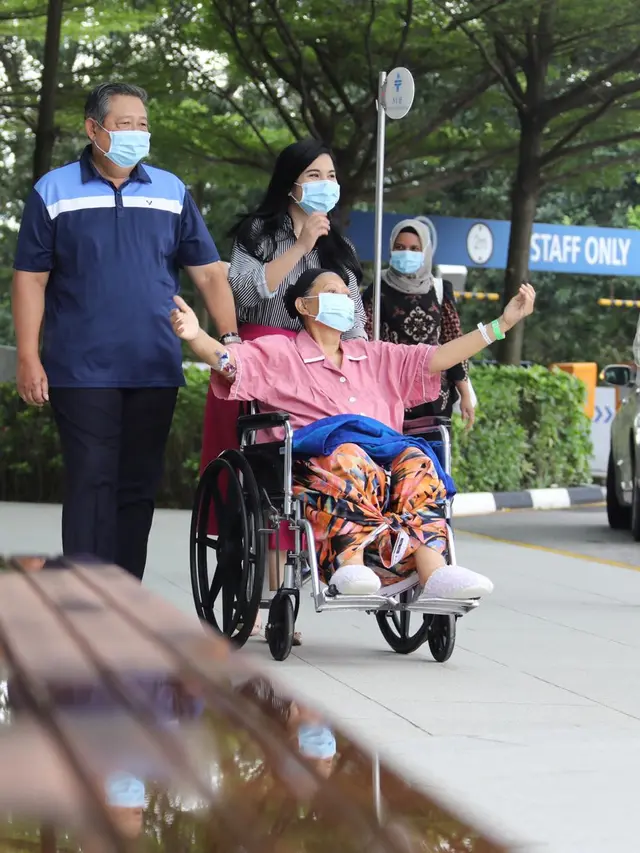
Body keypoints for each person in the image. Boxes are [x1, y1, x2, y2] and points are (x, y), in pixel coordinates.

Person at [172, 268, 536, 599]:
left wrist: (502, 324)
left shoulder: (375, 356)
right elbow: (230, 363)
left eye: (348, 294)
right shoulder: (279, 353)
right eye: (333, 291)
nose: (344, 300)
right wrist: (197, 337)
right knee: (349, 453)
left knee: (418, 459)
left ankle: (434, 571)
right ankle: (350, 564)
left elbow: (441, 357)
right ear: (303, 304)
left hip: (382, 463)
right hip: (313, 466)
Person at [11, 82, 236, 580]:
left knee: (137, 487)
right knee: (92, 481)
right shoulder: (54, 189)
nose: (138, 133)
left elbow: (208, 273)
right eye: (124, 124)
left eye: (143, 124)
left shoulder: (171, 192)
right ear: (94, 129)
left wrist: (232, 340)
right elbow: (31, 279)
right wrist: (29, 356)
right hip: (79, 367)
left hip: (154, 365)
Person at [199, 138, 367, 636]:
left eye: (331, 176)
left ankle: (308, 579)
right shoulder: (259, 232)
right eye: (314, 176)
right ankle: (248, 591)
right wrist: (300, 247)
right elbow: (246, 290)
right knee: (253, 487)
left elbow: (355, 317)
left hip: (319, 368)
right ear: (291, 182)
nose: (325, 186)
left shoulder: (340, 245)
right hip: (260, 362)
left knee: (308, 474)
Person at [363, 218, 475, 427]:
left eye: (415, 248)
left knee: (434, 455)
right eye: (400, 247)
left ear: (426, 252)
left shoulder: (440, 289)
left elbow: (454, 343)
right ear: (390, 250)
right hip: (391, 394)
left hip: (435, 397)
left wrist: (465, 393)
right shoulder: (378, 287)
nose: (407, 253)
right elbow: (364, 339)